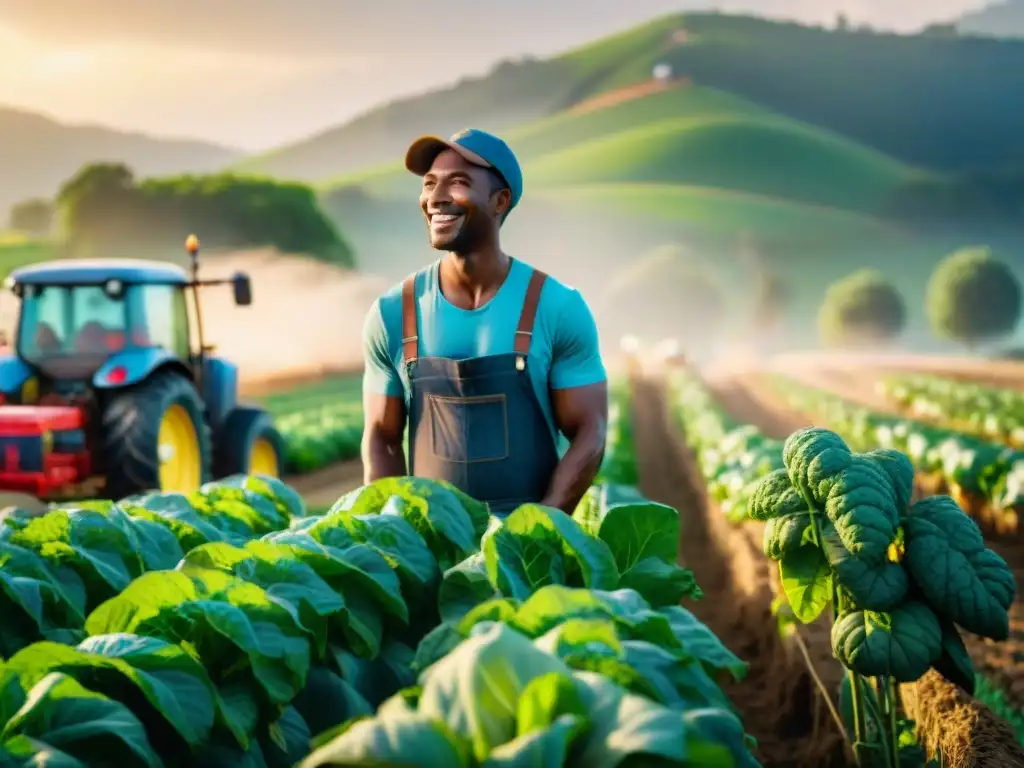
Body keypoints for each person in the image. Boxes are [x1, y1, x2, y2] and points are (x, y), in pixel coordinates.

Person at [361, 128, 608, 515]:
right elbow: (382, 438)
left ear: (500, 201)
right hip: (431, 550)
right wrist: (392, 534)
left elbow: (590, 431)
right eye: (429, 184)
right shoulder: (394, 313)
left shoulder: (557, 307)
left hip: (526, 555)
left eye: (457, 183)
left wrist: (542, 525)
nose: (436, 198)